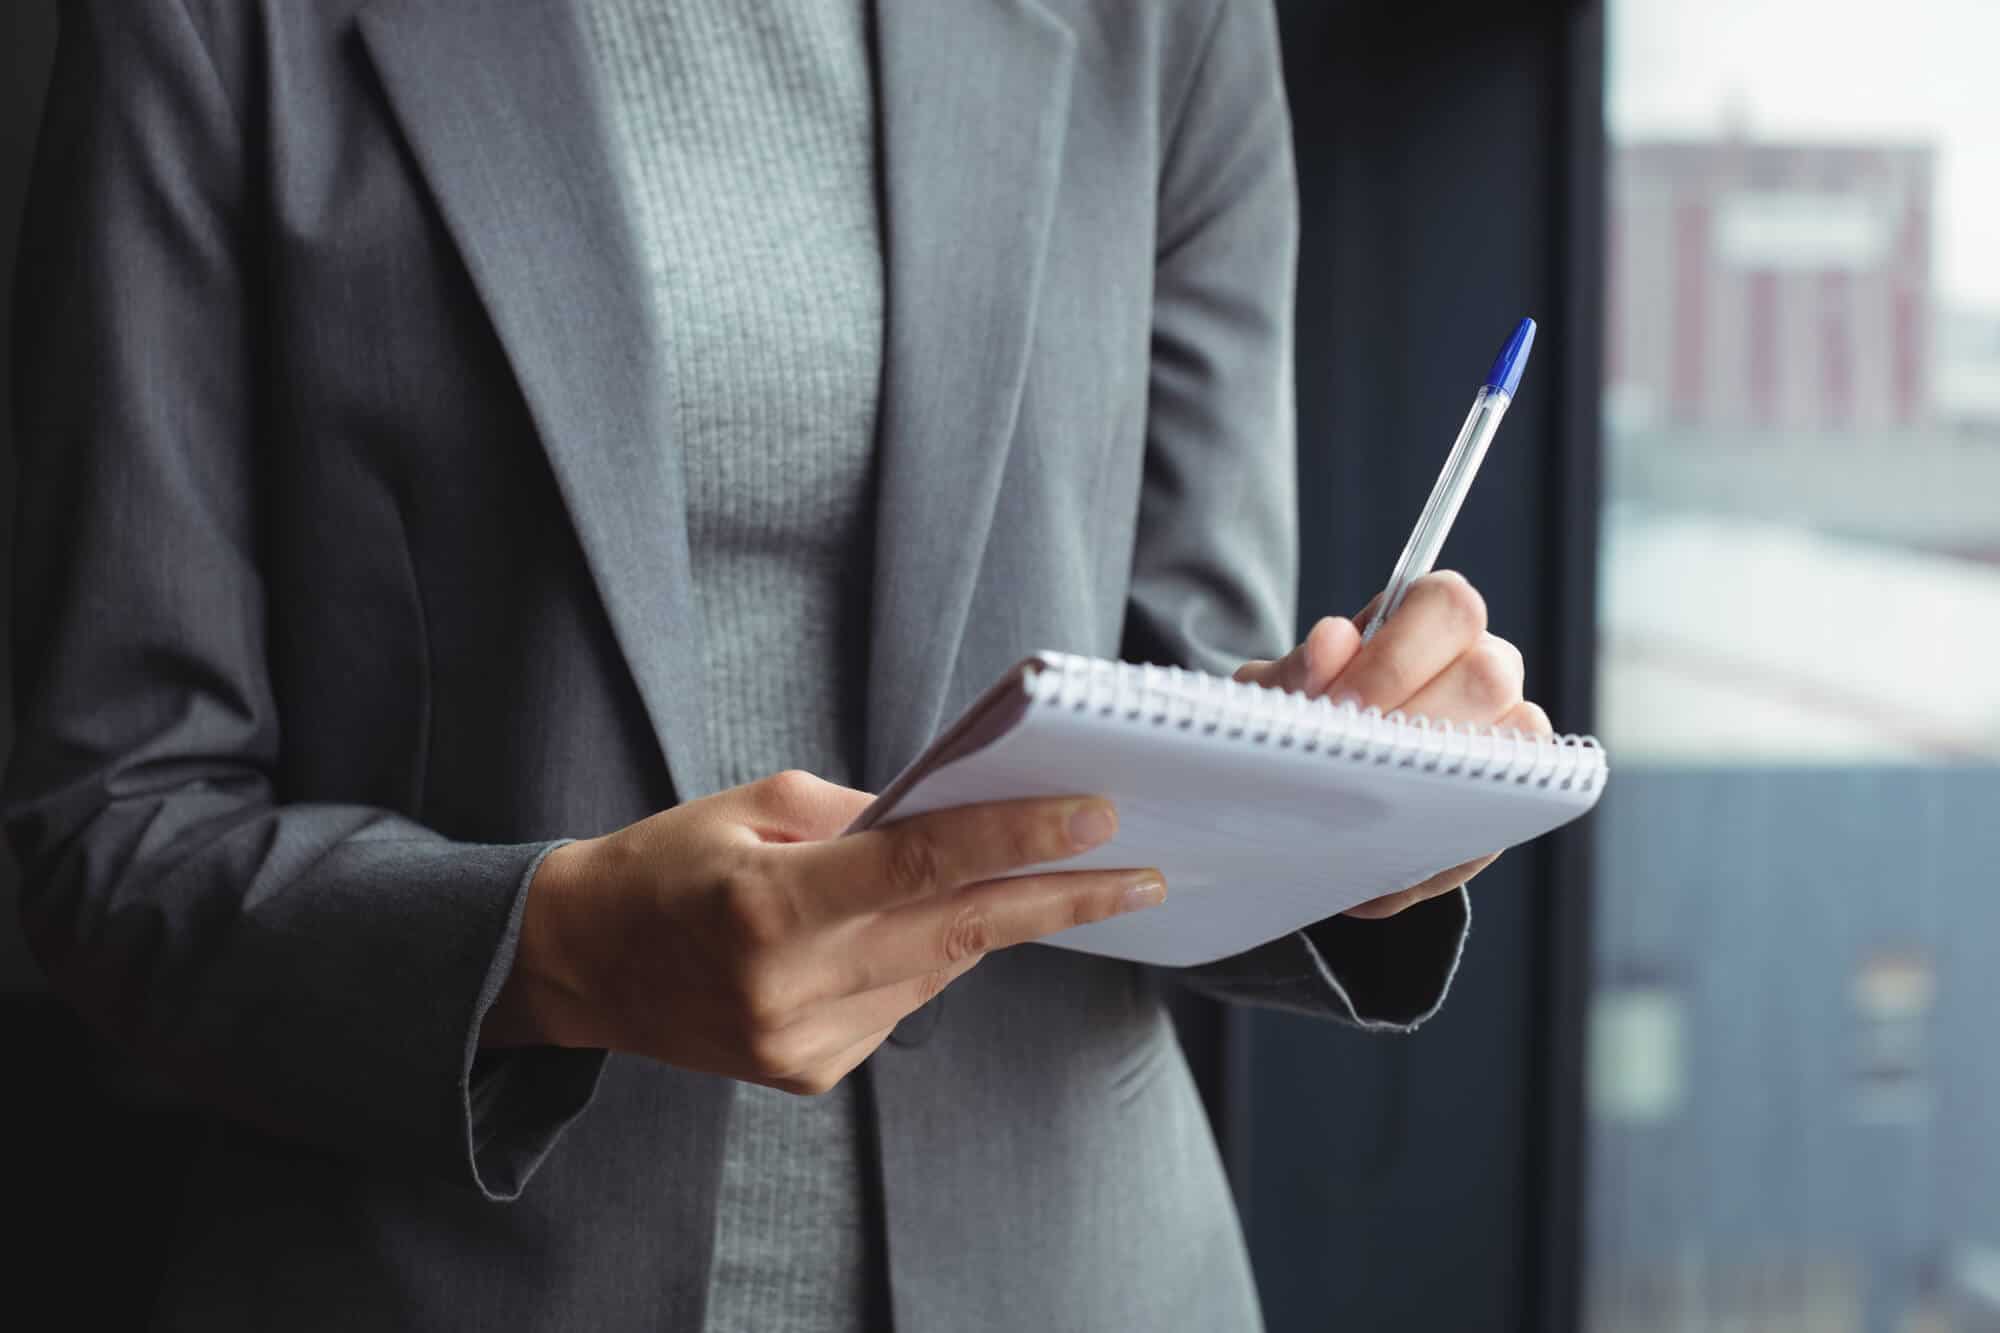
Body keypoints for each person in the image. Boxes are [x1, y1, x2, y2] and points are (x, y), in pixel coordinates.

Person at [5, 1, 1552, 1329]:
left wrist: (1339, 792)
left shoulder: (1167, 19)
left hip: (1080, 1267)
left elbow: (1171, 682)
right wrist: (561, 950)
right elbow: (113, 825)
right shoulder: (209, 28)